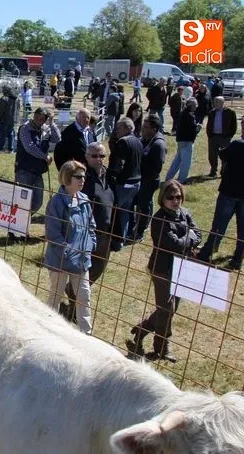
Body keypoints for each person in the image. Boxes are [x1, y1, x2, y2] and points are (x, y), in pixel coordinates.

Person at [126, 180, 201, 362]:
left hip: (182, 268)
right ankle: (162, 348)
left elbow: (198, 234)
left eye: (179, 197)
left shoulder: (184, 213)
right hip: (162, 269)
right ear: (162, 199)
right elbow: (172, 244)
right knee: (167, 308)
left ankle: (142, 330)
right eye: (171, 197)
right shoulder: (159, 219)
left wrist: (187, 239)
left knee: (168, 309)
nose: (176, 201)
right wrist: (189, 239)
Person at [61, 142, 115, 323]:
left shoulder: (109, 175)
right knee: (82, 272)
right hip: (87, 232)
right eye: (94, 156)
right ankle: (74, 308)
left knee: (97, 270)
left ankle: (72, 298)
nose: (98, 160)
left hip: (106, 233)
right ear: (87, 156)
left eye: (102, 156)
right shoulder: (84, 178)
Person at [44, 160, 96, 335]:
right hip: (61, 260)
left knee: (84, 297)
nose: (83, 180)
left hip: (81, 260)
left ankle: (86, 335)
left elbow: (91, 227)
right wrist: (67, 252)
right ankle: (48, 330)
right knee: (55, 296)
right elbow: (53, 234)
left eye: (84, 176)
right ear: (67, 178)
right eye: (78, 176)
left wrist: (91, 245)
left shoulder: (85, 200)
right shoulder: (56, 203)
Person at [198, 116, 244, 269]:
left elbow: (222, 154)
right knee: (242, 228)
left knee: (219, 225)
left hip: (229, 192)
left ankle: (207, 252)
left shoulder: (237, 145)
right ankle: (238, 258)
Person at [15, 107, 61, 221]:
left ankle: (22, 221)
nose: (38, 120)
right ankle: (17, 227)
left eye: (41, 119)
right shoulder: (25, 128)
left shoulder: (46, 129)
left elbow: (57, 139)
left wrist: (52, 122)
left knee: (37, 202)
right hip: (24, 170)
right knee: (22, 202)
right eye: (36, 117)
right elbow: (29, 147)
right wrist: (45, 157)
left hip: (38, 171)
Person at [107, 117, 142, 250]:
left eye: (119, 128)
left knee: (115, 211)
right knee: (126, 211)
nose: (117, 131)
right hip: (136, 182)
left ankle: (116, 240)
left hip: (124, 183)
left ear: (128, 128)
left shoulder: (122, 142)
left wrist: (111, 176)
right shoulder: (138, 141)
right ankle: (123, 237)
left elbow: (118, 164)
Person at [134, 114, 167, 242]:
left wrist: (145, 179)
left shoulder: (158, 145)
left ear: (154, 129)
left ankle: (140, 232)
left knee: (143, 206)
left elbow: (156, 167)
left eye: (146, 127)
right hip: (141, 178)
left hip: (149, 180)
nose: (143, 128)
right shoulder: (146, 138)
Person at [165, 97, 200, 184]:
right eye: (195, 105)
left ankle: (169, 177)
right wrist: (198, 128)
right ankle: (182, 179)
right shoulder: (189, 115)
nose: (196, 107)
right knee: (186, 161)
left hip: (181, 140)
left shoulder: (183, 113)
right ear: (190, 105)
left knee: (178, 159)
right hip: (187, 140)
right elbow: (192, 129)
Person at [206, 96, 238, 178]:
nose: (215, 103)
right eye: (215, 102)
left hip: (225, 137)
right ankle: (213, 170)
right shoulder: (212, 112)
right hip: (213, 137)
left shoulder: (230, 112)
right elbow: (208, 125)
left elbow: (234, 126)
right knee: (212, 155)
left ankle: (224, 171)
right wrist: (210, 135)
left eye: (217, 102)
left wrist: (229, 136)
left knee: (225, 155)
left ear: (223, 103)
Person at [0, 85, 20, 153]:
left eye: (3, 89)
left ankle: (1, 148)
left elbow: (0, 111)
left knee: (3, 134)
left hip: (4, 119)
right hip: (13, 119)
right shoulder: (16, 99)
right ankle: (11, 149)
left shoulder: (3, 99)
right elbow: (18, 109)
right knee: (11, 133)